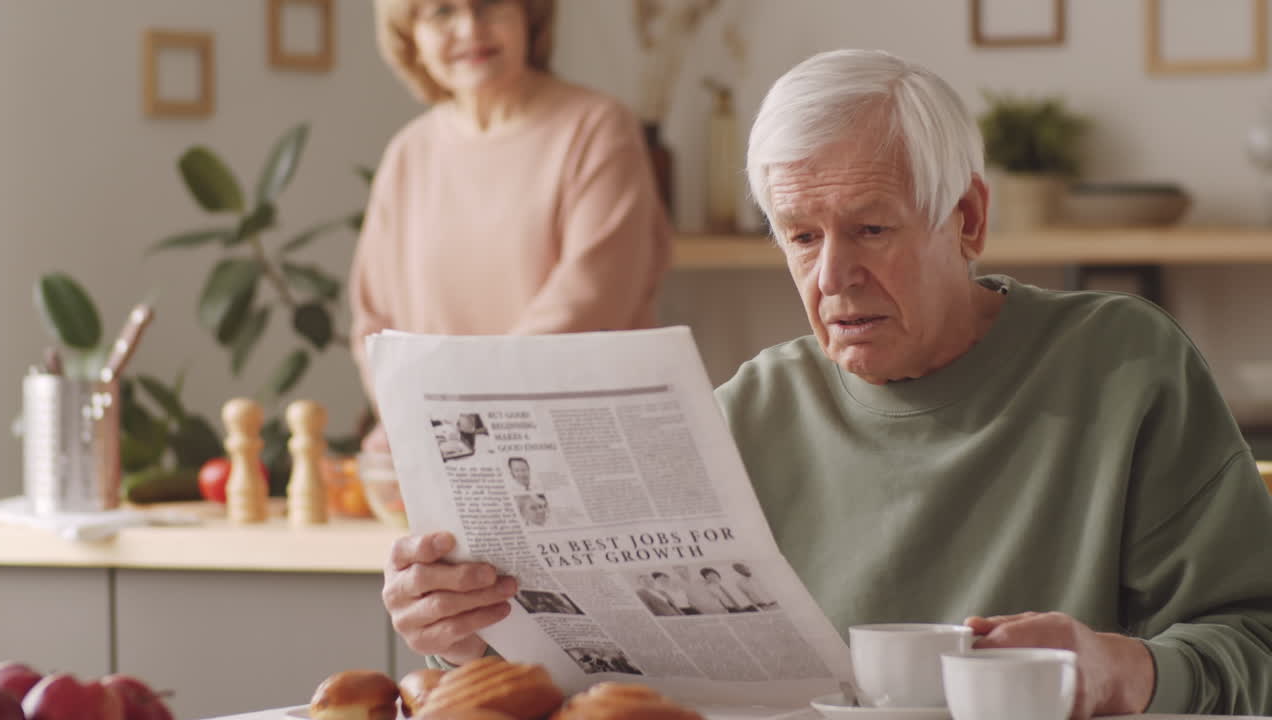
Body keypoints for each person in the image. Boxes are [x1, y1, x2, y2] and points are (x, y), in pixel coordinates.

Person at [381, 49, 1272, 718]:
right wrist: (474, 640)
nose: (833, 277)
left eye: (871, 228)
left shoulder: (1123, 364)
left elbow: (1256, 640)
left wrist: (1121, 671)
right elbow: (617, 688)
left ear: (966, 218)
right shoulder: (746, 411)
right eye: (802, 237)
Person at [354, 0, 672, 452]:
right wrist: (406, 418)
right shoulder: (408, 153)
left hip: (584, 445)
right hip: (453, 446)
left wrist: (461, 420)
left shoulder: (598, 128)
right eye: (441, 11)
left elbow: (589, 303)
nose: (470, 28)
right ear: (411, 39)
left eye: (489, 5)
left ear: (529, 17)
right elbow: (374, 324)